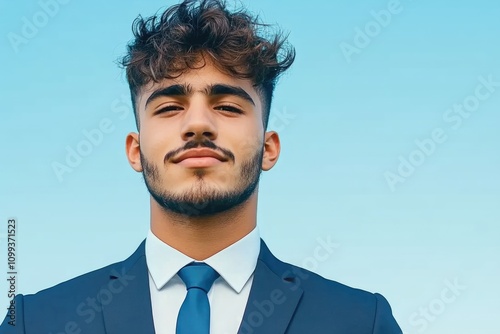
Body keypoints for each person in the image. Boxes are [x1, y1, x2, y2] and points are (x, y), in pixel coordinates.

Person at [1, 0, 402, 333]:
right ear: (135, 151)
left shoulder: (361, 322)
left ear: (269, 147)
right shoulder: (35, 322)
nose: (197, 125)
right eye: (169, 107)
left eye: (227, 106)